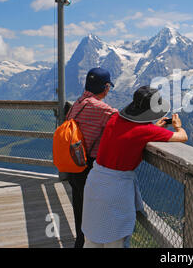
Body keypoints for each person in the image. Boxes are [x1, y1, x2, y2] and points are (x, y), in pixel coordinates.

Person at [81, 86, 188, 248]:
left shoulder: (115, 119)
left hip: (95, 183)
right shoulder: (146, 130)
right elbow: (182, 137)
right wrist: (177, 125)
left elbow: (129, 136)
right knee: (115, 240)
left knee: (92, 238)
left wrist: (155, 128)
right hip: (115, 191)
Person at [65, 67, 118, 248]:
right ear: (105, 87)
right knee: (95, 221)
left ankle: (79, 244)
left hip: (73, 166)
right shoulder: (102, 108)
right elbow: (124, 124)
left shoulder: (78, 103)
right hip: (88, 169)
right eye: (108, 86)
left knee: (80, 213)